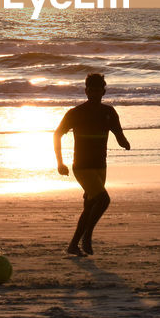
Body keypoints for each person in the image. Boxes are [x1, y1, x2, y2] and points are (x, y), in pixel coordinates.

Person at [53, 73, 130, 256]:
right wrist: (60, 163)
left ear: (103, 91)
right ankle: (87, 236)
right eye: (91, 90)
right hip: (82, 166)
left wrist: (124, 143)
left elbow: (118, 134)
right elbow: (57, 135)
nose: (94, 93)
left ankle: (73, 245)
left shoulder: (109, 112)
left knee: (90, 206)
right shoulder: (75, 113)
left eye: (98, 90)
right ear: (86, 91)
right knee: (103, 200)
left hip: (100, 165)